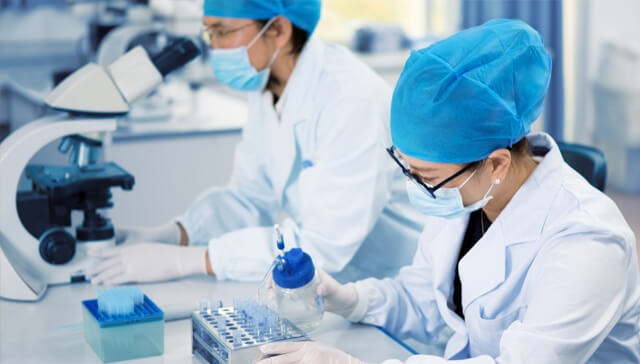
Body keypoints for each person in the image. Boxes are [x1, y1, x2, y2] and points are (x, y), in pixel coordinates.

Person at [254, 20, 640, 364]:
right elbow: (424, 301)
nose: (416, 187)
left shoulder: (587, 238)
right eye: (408, 168)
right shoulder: (467, 195)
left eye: (427, 177)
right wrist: (346, 298)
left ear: (495, 164)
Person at [87, 0, 425, 285]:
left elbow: (322, 245)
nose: (213, 47)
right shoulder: (268, 86)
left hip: (394, 288)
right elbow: (249, 198)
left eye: (223, 32)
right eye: (209, 32)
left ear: (278, 29)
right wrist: (175, 233)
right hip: (335, 285)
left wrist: (186, 261)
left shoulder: (350, 99)